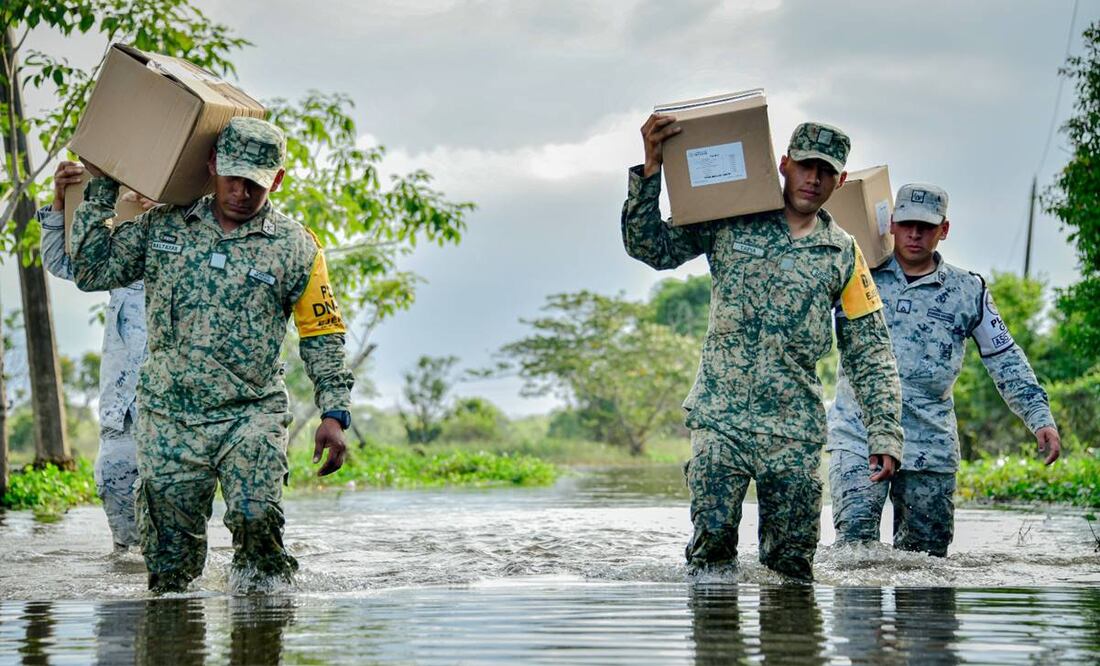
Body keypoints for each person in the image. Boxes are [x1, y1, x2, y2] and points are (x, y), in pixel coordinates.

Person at [69, 117, 355, 593]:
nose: (240, 192)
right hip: (169, 415)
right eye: (232, 177)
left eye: (255, 184)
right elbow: (92, 270)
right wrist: (102, 187)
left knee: (256, 519)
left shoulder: (296, 247)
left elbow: (322, 332)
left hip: (250, 413)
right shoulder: (163, 227)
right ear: (212, 166)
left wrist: (334, 413)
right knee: (170, 564)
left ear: (277, 181)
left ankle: (263, 627)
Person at [622, 116, 903, 581]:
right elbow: (650, 247)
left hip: (793, 431)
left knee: (791, 566)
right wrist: (651, 170)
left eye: (826, 171)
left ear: (841, 180)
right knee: (711, 554)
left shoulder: (845, 253)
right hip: (721, 419)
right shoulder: (731, 218)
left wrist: (884, 432)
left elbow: (870, 349)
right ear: (783, 164)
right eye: (806, 166)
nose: (813, 179)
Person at [827, 183, 1060, 557]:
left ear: (944, 230)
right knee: (855, 552)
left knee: (925, 567)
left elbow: (1004, 357)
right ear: (892, 225)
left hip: (930, 445)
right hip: (859, 436)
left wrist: (1039, 416)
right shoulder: (856, 275)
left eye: (926, 226)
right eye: (906, 224)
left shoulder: (969, 291)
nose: (915, 234)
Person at [39, 161, 155, 553]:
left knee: (174, 522)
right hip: (123, 408)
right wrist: (62, 202)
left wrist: (166, 214)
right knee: (116, 491)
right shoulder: (122, 250)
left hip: (179, 411)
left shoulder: (202, 229)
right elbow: (66, 263)